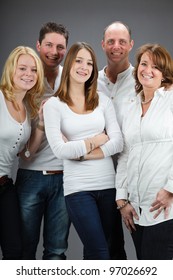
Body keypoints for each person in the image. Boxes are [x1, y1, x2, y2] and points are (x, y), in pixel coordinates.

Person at [43, 41, 123, 260]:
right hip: (78, 189)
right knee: (100, 252)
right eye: (79, 60)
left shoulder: (103, 101)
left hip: (108, 186)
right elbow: (60, 149)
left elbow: (117, 142)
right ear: (69, 64)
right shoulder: (54, 105)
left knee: (97, 251)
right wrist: (97, 139)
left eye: (89, 63)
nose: (84, 67)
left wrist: (81, 152)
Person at [15, 22, 70, 260]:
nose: (54, 51)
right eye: (48, 45)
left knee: (56, 252)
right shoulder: (24, 80)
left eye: (60, 47)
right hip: (30, 176)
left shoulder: (72, 79)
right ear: (38, 45)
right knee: (23, 251)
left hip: (65, 177)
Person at [116, 43, 173, 260]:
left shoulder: (170, 98)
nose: (148, 70)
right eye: (144, 63)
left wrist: (171, 189)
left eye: (156, 67)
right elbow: (125, 154)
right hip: (137, 209)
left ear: (164, 73)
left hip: (165, 208)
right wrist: (122, 200)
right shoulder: (131, 107)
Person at [0, 45, 44, 259]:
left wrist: (42, 124)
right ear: (11, 70)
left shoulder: (26, 107)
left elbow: (26, 154)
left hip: (5, 186)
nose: (28, 74)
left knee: (15, 252)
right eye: (23, 68)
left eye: (34, 70)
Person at [97, 21, 136, 259]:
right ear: (103, 45)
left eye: (122, 41)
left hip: (134, 171)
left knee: (148, 245)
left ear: (131, 45)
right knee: (109, 246)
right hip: (101, 174)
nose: (116, 46)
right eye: (111, 41)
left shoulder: (143, 77)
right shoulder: (92, 81)